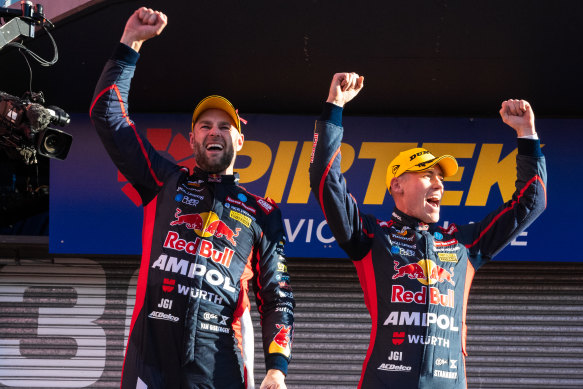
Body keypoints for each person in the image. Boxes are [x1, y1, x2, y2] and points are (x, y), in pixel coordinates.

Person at [89, 8, 294, 389]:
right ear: (192, 139)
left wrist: (277, 369)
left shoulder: (262, 212)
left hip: (219, 367)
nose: (214, 132)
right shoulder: (165, 182)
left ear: (239, 141)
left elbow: (277, 296)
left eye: (224, 126)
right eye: (205, 125)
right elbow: (108, 116)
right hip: (150, 361)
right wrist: (130, 43)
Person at [309, 72, 546, 388]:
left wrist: (527, 134)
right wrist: (334, 106)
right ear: (397, 185)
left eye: (442, 178)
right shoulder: (370, 236)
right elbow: (326, 181)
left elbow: (532, 202)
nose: (439, 183)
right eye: (426, 174)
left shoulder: (465, 242)